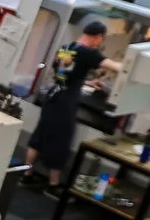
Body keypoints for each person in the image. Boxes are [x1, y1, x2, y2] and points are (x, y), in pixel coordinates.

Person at [28, 17, 111, 188]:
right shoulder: (89, 52)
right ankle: (53, 184)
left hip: (54, 95)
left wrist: (85, 83)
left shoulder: (66, 48)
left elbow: (65, 74)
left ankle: (26, 173)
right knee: (61, 142)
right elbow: (114, 66)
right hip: (65, 103)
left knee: (39, 136)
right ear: (98, 36)